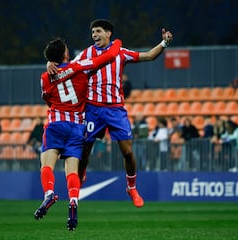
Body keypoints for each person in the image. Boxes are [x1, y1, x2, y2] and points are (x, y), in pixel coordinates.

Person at [49, 19, 173, 208]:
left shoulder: (121, 53)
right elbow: (65, 68)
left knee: (128, 152)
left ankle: (131, 187)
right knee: (85, 150)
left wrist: (164, 43)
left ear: (108, 33)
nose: (94, 35)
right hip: (92, 109)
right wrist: (50, 62)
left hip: (116, 110)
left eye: (98, 31)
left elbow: (148, 56)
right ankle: (79, 178)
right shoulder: (86, 54)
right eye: (92, 32)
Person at [34, 36, 122, 231]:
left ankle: (49, 193)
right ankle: (73, 200)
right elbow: (109, 56)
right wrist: (117, 42)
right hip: (76, 126)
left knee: (46, 165)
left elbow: (47, 100)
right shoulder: (80, 66)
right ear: (65, 53)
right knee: (72, 170)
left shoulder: (44, 77)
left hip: (56, 123)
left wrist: (51, 65)